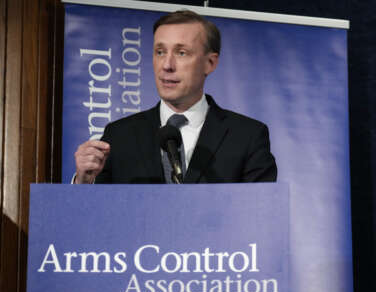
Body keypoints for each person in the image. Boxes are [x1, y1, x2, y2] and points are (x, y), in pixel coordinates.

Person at [74, 10, 277, 184]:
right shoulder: (119, 137)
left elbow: (260, 217)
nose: (167, 65)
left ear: (210, 63)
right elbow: (93, 218)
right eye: (160, 52)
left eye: (181, 53)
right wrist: (84, 181)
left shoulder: (247, 137)